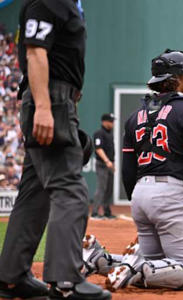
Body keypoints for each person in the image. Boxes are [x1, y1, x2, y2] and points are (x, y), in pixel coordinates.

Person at [0, 0, 112, 299]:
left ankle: (11, 277)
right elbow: (36, 51)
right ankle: (66, 281)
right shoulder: (51, 1)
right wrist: (45, 107)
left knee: (34, 191)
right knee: (70, 189)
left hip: (54, 96)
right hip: (50, 97)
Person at [83, 49, 183, 291]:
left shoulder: (136, 116)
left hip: (140, 194)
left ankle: (100, 259)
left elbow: (128, 169)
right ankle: (136, 268)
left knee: (157, 262)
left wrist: (136, 199)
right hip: (172, 193)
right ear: (176, 79)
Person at [92, 113, 116, 219]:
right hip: (102, 164)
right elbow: (98, 148)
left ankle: (107, 211)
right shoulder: (99, 133)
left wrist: (112, 163)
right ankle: (95, 212)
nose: (112, 123)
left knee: (109, 189)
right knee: (101, 188)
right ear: (104, 122)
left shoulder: (110, 133)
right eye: (110, 121)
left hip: (109, 164)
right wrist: (107, 161)